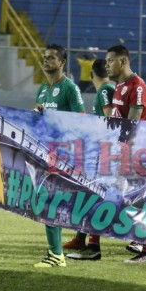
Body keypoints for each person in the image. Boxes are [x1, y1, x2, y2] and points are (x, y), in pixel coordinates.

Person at [33, 44, 86, 268]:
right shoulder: (43, 89)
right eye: (44, 57)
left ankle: (57, 255)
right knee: (47, 201)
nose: (46, 61)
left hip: (64, 154)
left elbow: (81, 120)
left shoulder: (69, 88)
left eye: (52, 58)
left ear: (62, 62)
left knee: (50, 201)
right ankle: (57, 253)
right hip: (47, 152)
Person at [63, 59, 115, 261]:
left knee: (94, 195)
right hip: (104, 151)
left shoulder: (104, 91)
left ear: (91, 74)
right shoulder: (109, 89)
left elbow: (110, 121)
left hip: (103, 152)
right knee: (90, 193)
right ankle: (82, 238)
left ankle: (93, 247)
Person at [104, 44, 146, 263]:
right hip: (121, 150)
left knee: (138, 199)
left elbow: (133, 123)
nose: (106, 65)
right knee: (117, 196)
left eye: (110, 61)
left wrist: (122, 151)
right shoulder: (119, 86)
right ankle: (95, 244)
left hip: (135, 151)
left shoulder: (137, 85)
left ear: (122, 61)